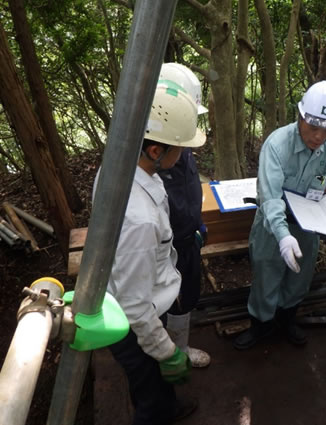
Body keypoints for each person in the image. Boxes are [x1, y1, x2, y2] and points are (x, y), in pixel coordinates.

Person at [100, 82, 205, 424]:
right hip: (133, 324)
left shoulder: (129, 168)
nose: (184, 155)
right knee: (148, 399)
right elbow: (134, 306)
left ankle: (168, 405)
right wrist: (166, 351)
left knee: (154, 386)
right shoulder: (138, 220)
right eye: (179, 148)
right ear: (156, 151)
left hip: (139, 301)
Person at [233, 80, 326, 350]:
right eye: (313, 127)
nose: (319, 136)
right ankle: (260, 325)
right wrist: (283, 237)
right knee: (266, 275)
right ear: (301, 116)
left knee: (299, 277)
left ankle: (287, 320)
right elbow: (270, 198)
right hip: (272, 227)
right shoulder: (277, 145)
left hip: (307, 227)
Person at [158, 63, 211, 368]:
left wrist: (198, 225)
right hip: (166, 251)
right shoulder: (150, 162)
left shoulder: (181, 146)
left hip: (188, 240)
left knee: (186, 298)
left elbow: (189, 189)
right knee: (165, 303)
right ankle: (164, 357)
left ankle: (180, 348)